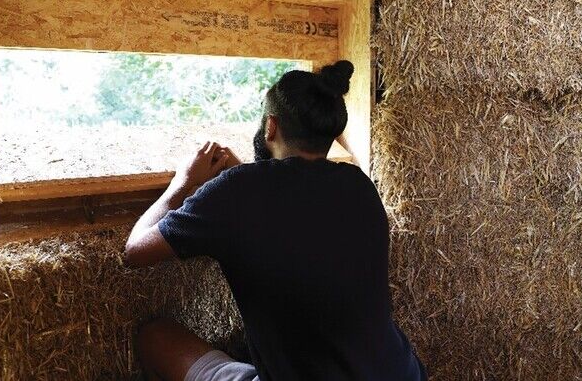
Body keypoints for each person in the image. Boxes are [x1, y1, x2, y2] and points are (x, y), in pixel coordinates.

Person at [124, 60, 426, 381]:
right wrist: (242, 181)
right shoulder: (359, 185)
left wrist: (182, 184)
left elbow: (135, 250)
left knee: (156, 338)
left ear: (271, 126)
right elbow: (296, 216)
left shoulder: (236, 193)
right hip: (401, 373)